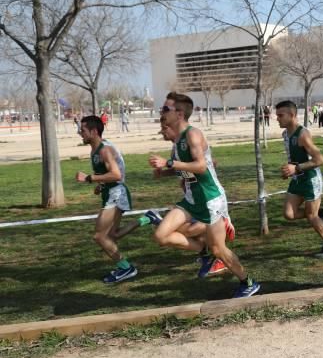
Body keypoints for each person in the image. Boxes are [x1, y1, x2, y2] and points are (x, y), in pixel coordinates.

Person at [148, 92, 259, 298]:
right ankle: (201, 249)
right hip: (191, 200)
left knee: (219, 249)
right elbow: (185, 170)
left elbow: (200, 166)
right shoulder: (177, 142)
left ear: (179, 114)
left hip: (210, 199)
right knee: (161, 235)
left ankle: (248, 282)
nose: (162, 113)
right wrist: (163, 172)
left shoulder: (193, 134)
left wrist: (169, 163)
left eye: (165, 109)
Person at [75, 115, 138, 283]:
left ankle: (126, 268)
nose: (80, 133)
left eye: (83, 130)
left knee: (100, 237)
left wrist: (89, 178)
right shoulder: (95, 149)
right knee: (112, 236)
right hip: (110, 192)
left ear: (94, 131)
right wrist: (101, 184)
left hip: (116, 194)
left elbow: (116, 175)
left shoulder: (105, 150)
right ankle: (147, 219)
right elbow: (110, 174)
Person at [275, 100, 323, 258]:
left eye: (280, 115)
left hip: (311, 180)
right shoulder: (285, 135)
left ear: (292, 115)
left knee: (311, 216)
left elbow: (320, 160)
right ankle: (322, 212)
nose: (277, 118)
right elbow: (294, 158)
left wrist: (296, 168)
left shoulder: (303, 134)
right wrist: (289, 171)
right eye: (277, 115)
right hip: (297, 179)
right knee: (288, 214)